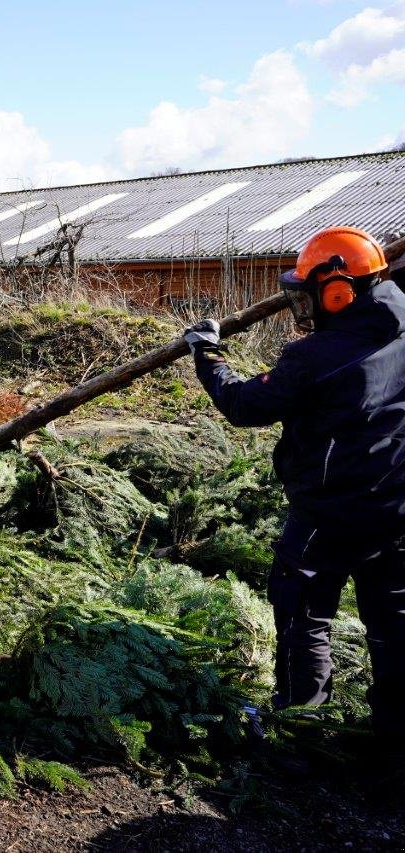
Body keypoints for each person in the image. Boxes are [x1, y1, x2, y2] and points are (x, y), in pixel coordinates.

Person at [183, 226, 405, 744]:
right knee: (396, 626)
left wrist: (207, 354)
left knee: (304, 613)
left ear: (338, 292)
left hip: (329, 513)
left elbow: (244, 404)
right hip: (398, 506)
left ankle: (301, 726)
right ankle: (396, 743)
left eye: (307, 295)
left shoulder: (315, 357)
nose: (302, 308)